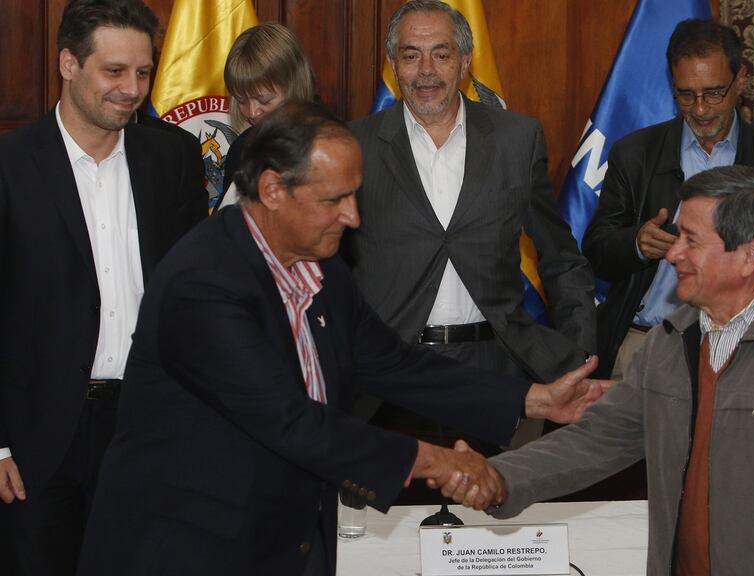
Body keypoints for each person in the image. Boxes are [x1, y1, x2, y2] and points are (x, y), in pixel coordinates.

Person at [76, 102, 608, 576]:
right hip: (188, 544)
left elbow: (391, 364)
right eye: (335, 199)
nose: (353, 217)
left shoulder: (321, 266)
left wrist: (535, 398)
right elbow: (289, 421)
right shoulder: (205, 283)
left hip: (286, 536)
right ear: (272, 189)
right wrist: (439, 461)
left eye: (355, 196)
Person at [444, 165, 754, 576]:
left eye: (691, 240)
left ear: (749, 255)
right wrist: (498, 478)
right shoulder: (671, 341)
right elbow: (597, 440)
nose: (671, 254)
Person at [0, 1, 207, 574]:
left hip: (148, 428)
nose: (132, 89)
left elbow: (193, 301)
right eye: (114, 72)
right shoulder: (10, 165)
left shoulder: (173, 157)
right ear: (68, 63)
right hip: (37, 440)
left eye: (143, 73)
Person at [344, 0, 596, 443]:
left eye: (441, 54)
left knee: (493, 507)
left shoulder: (516, 140)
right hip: (389, 374)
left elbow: (561, 257)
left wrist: (577, 355)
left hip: (497, 369)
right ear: (392, 64)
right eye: (410, 55)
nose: (426, 71)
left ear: (464, 61)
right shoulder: (353, 145)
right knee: (389, 509)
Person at [583, 18, 754, 380]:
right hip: (644, 344)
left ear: (741, 80)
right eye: (686, 95)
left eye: (713, 93)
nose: (701, 109)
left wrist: (744, 258)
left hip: (743, 348)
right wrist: (637, 243)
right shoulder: (635, 153)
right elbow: (596, 250)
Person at [217, 22, 317, 207]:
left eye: (264, 101)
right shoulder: (241, 149)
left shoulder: (327, 147)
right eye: (241, 100)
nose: (253, 112)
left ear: (294, 87)